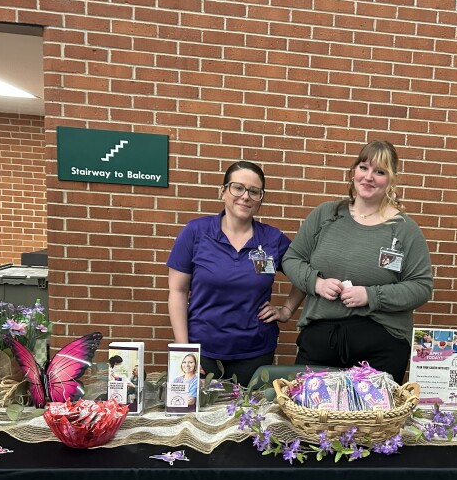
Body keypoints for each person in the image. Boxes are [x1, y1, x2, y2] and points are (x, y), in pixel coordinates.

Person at [282, 141, 433, 384]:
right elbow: (292, 258)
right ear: (353, 172)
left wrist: (371, 296)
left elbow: (421, 287)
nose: (369, 177)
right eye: (364, 167)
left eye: (380, 172)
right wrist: (316, 283)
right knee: (310, 415)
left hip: (383, 347)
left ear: (391, 180)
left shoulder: (405, 230)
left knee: (374, 421)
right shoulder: (326, 215)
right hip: (321, 341)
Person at [167, 161, 305, 385]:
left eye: (254, 191)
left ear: (261, 198)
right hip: (203, 352)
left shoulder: (272, 240)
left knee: (251, 416)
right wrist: (184, 350)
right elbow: (178, 291)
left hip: (256, 353)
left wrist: (287, 310)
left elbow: (304, 274)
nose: (245, 196)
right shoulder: (195, 233)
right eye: (238, 187)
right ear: (223, 191)